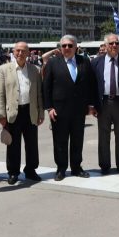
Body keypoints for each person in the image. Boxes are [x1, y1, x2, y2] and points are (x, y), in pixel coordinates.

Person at [43, 35, 97, 181]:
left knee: (77, 140)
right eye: (64, 45)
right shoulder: (53, 63)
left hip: (79, 110)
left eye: (70, 45)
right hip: (59, 110)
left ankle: (76, 167)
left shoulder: (84, 61)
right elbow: (46, 87)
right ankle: (61, 168)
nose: (67, 48)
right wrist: (49, 108)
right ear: (61, 47)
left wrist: (91, 105)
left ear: (76, 47)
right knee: (60, 141)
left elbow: (91, 84)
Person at [0, 41, 44, 184]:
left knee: (32, 143)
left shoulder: (35, 70)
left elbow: (39, 94)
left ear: (28, 53)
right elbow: (0, 94)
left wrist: (41, 113)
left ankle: (30, 170)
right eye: (17, 51)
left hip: (30, 111)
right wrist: (1, 114)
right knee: (13, 144)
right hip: (13, 113)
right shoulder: (4, 69)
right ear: (13, 52)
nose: (20, 53)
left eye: (23, 51)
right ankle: (13, 172)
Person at [92, 33, 119, 175]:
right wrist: (91, 105)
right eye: (111, 43)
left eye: (117, 43)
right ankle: (105, 165)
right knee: (103, 136)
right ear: (105, 46)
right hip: (103, 103)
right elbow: (92, 86)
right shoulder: (96, 62)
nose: (114, 46)